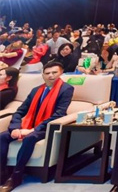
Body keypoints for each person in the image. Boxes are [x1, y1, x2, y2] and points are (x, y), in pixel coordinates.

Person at [0, 62, 74, 191]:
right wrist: (15, 127)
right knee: (2, 137)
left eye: (54, 72)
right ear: (43, 75)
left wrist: (34, 129)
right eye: (47, 73)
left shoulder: (66, 89)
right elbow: (20, 111)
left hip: (47, 127)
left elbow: (59, 114)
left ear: (61, 72)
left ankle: (16, 176)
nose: (51, 76)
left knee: (30, 137)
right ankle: (2, 173)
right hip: (29, 125)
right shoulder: (36, 90)